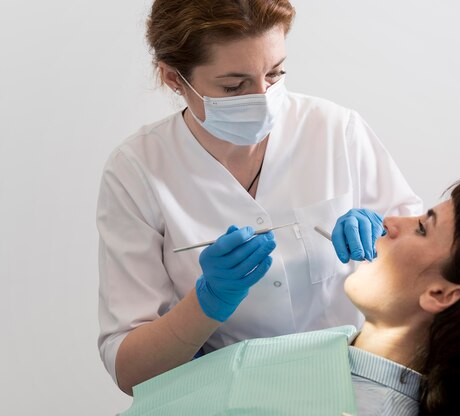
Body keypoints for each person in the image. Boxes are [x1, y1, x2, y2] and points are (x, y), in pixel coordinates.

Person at [96, 0, 421, 395]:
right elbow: (130, 371)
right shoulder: (138, 170)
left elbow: (435, 276)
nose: (264, 97)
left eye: (275, 73)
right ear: (174, 78)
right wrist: (208, 302)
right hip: (228, 399)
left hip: (356, 390)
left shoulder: (336, 131)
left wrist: (383, 244)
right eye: (234, 86)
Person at [120, 177, 460, 416]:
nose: (390, 221)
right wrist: (204, 305)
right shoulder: (342, 351)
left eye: (421, 227)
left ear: (441, 293)